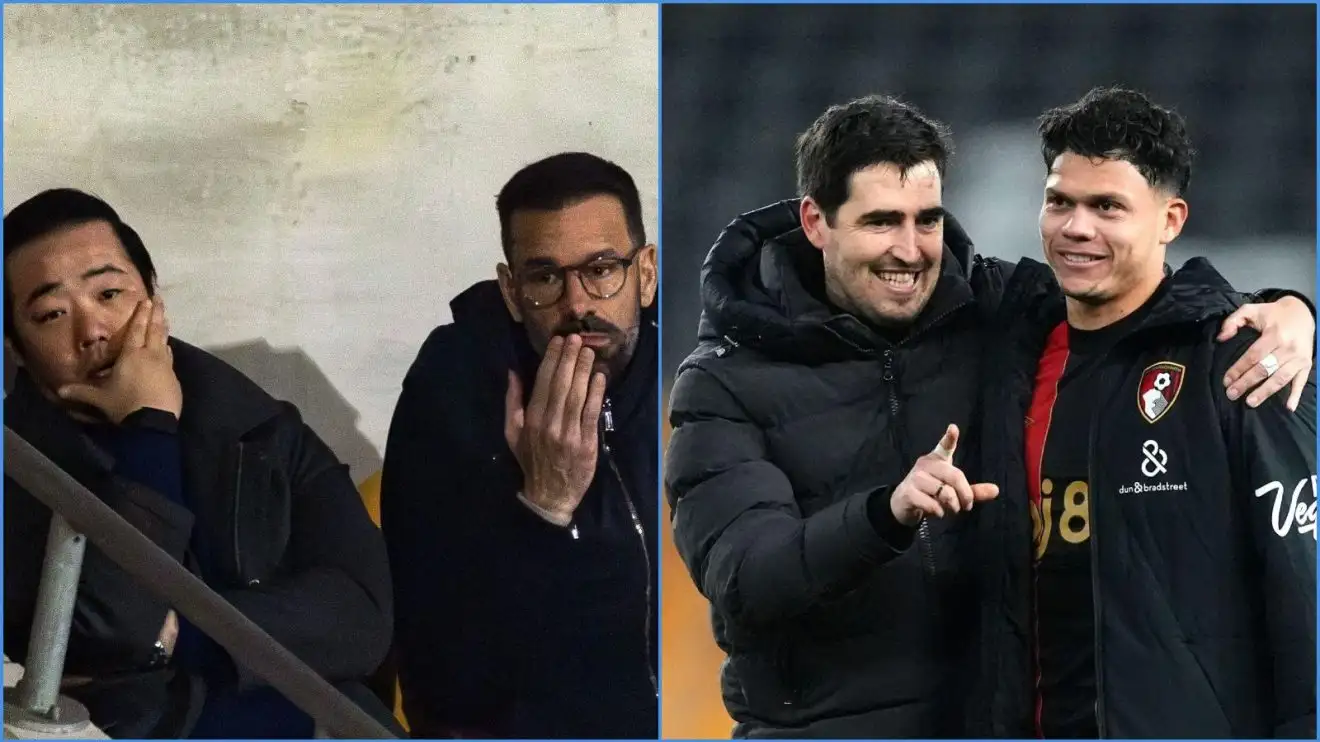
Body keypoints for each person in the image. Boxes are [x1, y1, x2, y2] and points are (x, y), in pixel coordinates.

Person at [663, 94, 1315, 738]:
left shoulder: (996, 314)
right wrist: (885, 514)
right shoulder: (721, 384)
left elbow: (1140, 297)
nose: (910, 250)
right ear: (815, 221)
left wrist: (1287, 310)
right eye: (881, 222)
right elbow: (744, 578)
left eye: (927, 220)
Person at [968, 87, 1316, 739]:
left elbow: (1305, 598)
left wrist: (1296, 308)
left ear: (1170, 220)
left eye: (1107, 207)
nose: (1076, 227)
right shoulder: (1013, 358)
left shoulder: (1242, 361)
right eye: (1060, 202)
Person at [2, 189, 399, 738]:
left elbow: (361, 619)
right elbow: (111, 627)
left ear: (153, 298)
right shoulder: (15, 466)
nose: (92, 331)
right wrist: (148, 428)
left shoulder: (257, 425)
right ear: (15, 348)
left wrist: (175, 635)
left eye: (110, 293)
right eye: (52, 314)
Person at [381, 152, 659, 738]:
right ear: (511, 291)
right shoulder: (454, 392)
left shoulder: (697, 367)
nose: (577, 305)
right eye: (545, 278)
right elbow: (443, 679)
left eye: (602, 269)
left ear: (647, 274)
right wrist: (544, 509)